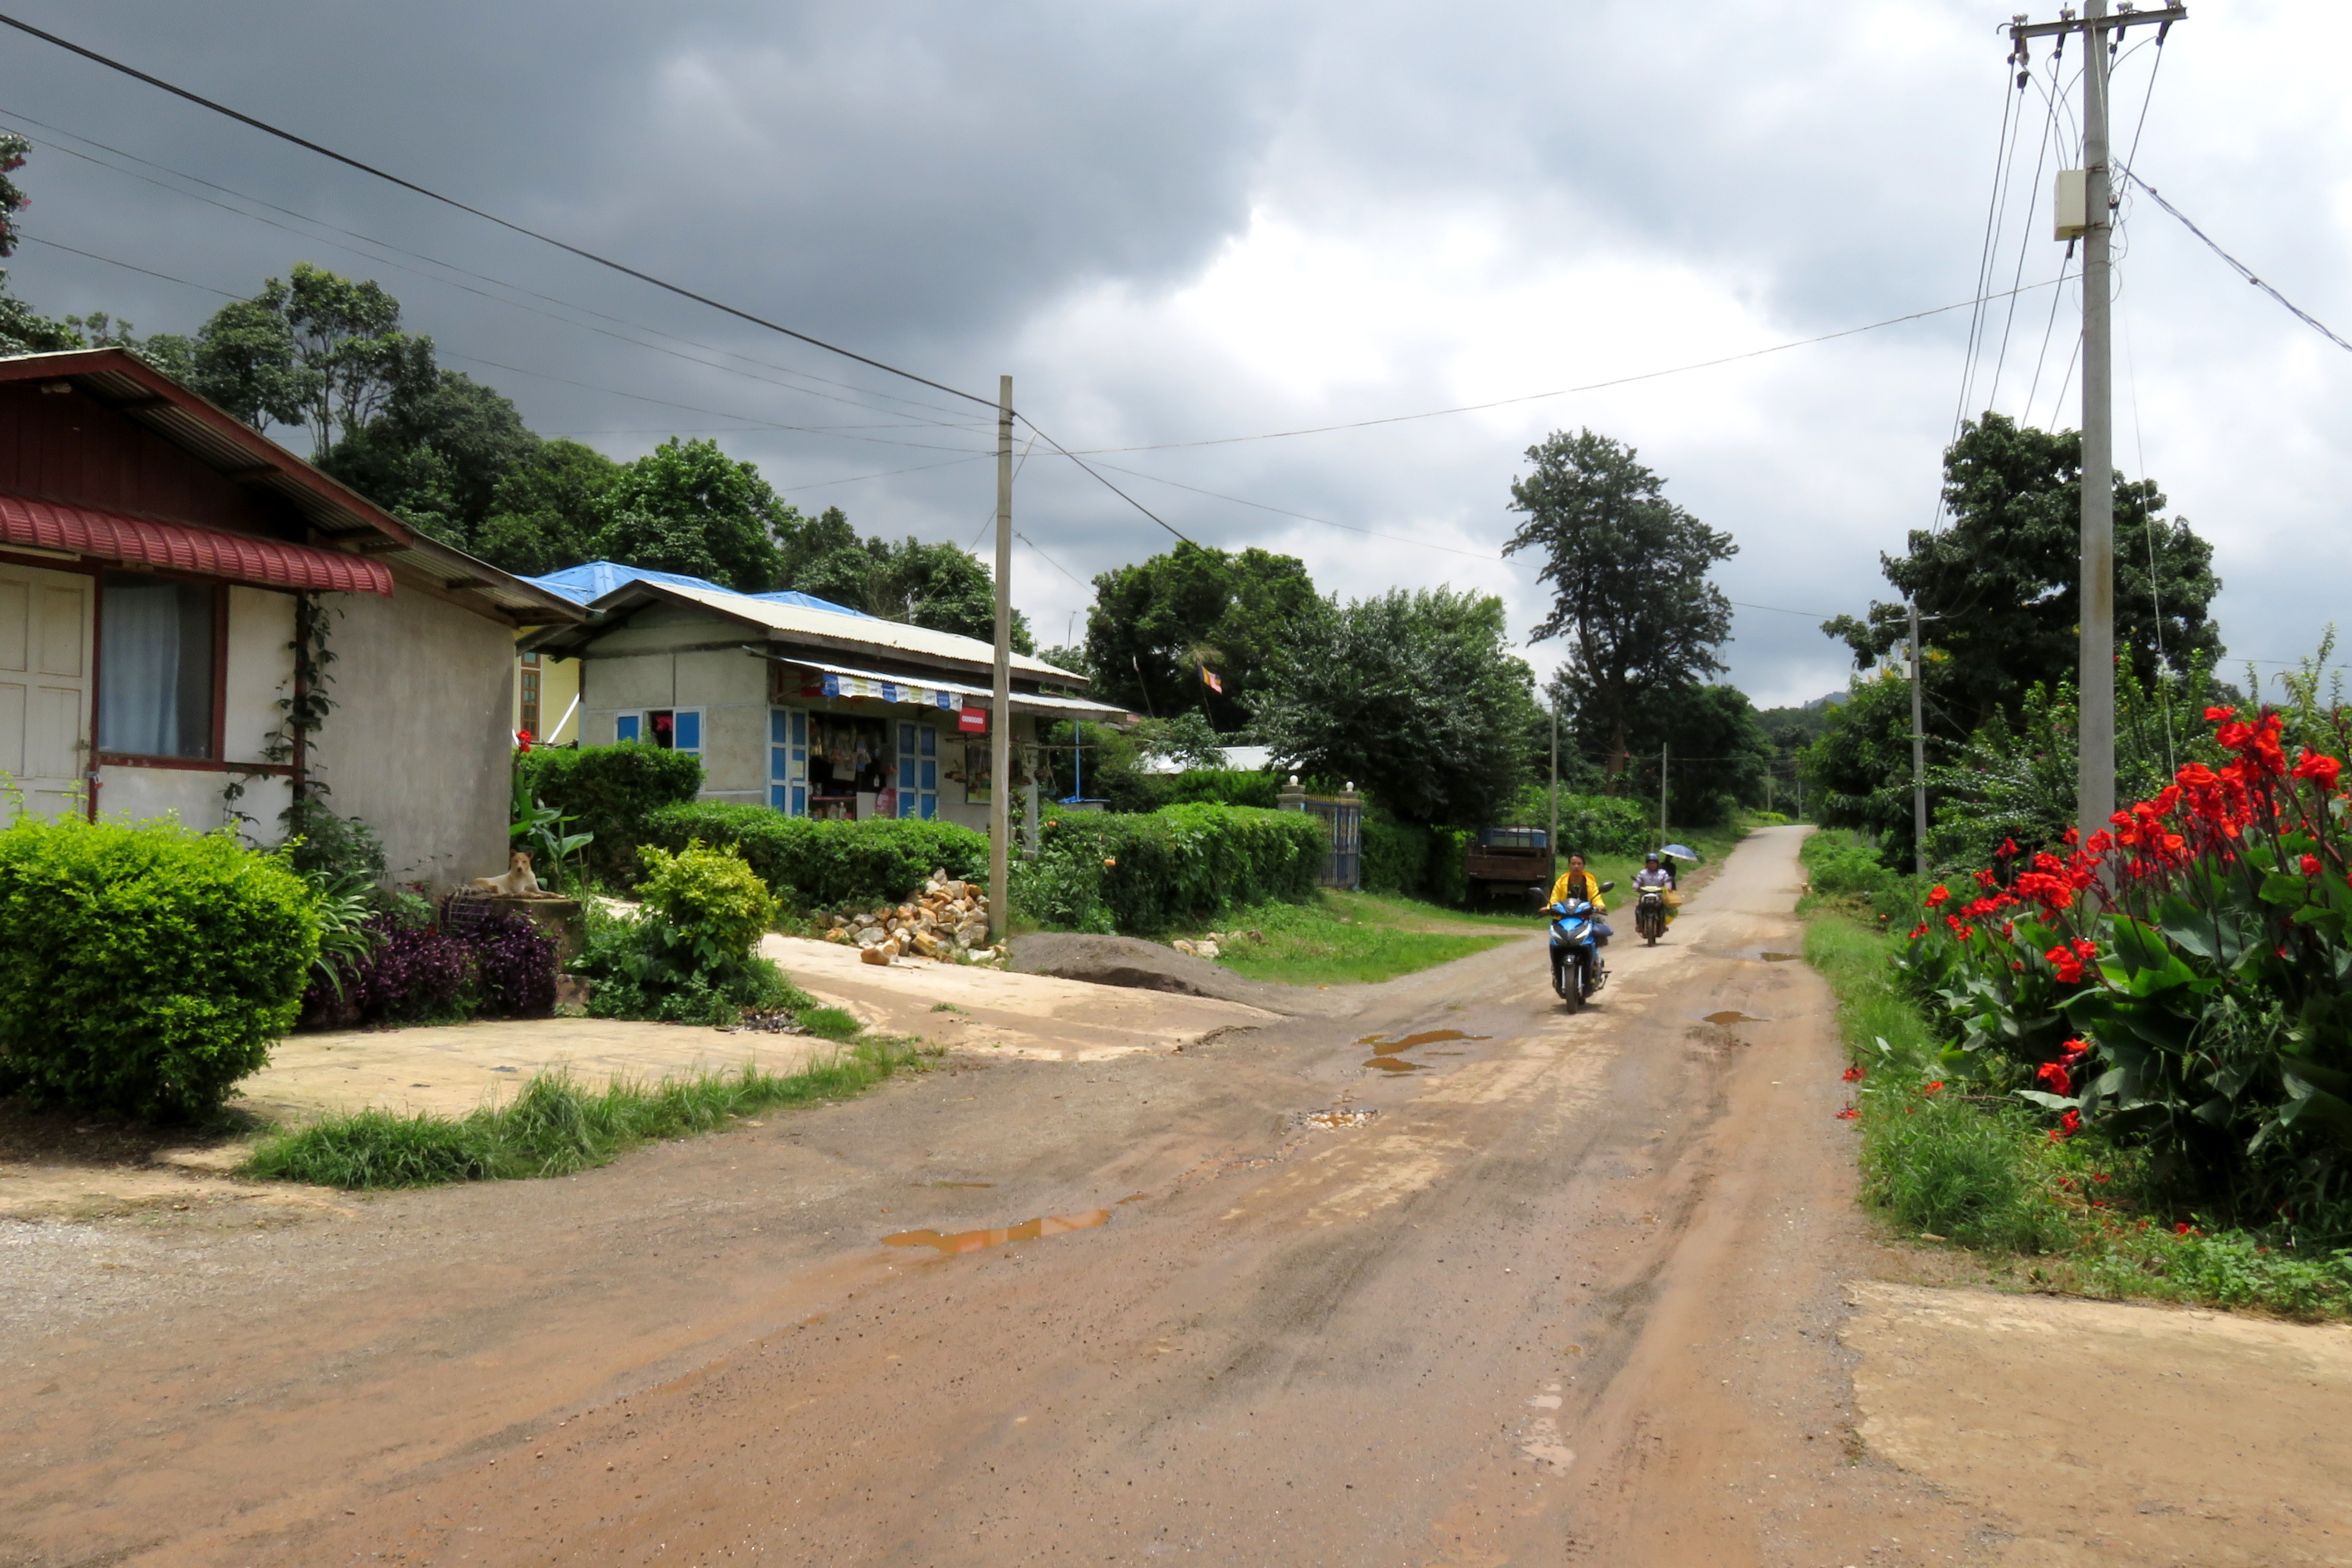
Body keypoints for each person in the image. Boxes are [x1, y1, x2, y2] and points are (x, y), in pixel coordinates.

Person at [1548, 852, 1612, 942]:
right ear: (1569, 866)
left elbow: (1596, 897)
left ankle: (1594, 950)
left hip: (1586, 917)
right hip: (1565, 918)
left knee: (1603, 932)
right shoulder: (1561, 882)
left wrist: (1600, 906)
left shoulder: (1590, 881)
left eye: (1579, 864)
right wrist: (1549, 908)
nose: (1576, 867)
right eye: (1573, 864)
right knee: (1555, 938)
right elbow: (1555, 898)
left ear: (1583, 866)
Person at [1633, 851, 1677, 930]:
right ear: (1647, 864)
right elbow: (1638, 881)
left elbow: (1667, 881)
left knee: (1663, 909)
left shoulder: (1662, 873)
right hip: (1645, 895)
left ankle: (1663, 925)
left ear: (1657, 864)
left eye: (1654, 863)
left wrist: (1669, 887)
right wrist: (1636, 886)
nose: (1652, 865)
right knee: (1638, 909)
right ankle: (1639, 925)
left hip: (1659, 895)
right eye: (1650, 864)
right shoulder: (1643, 873)